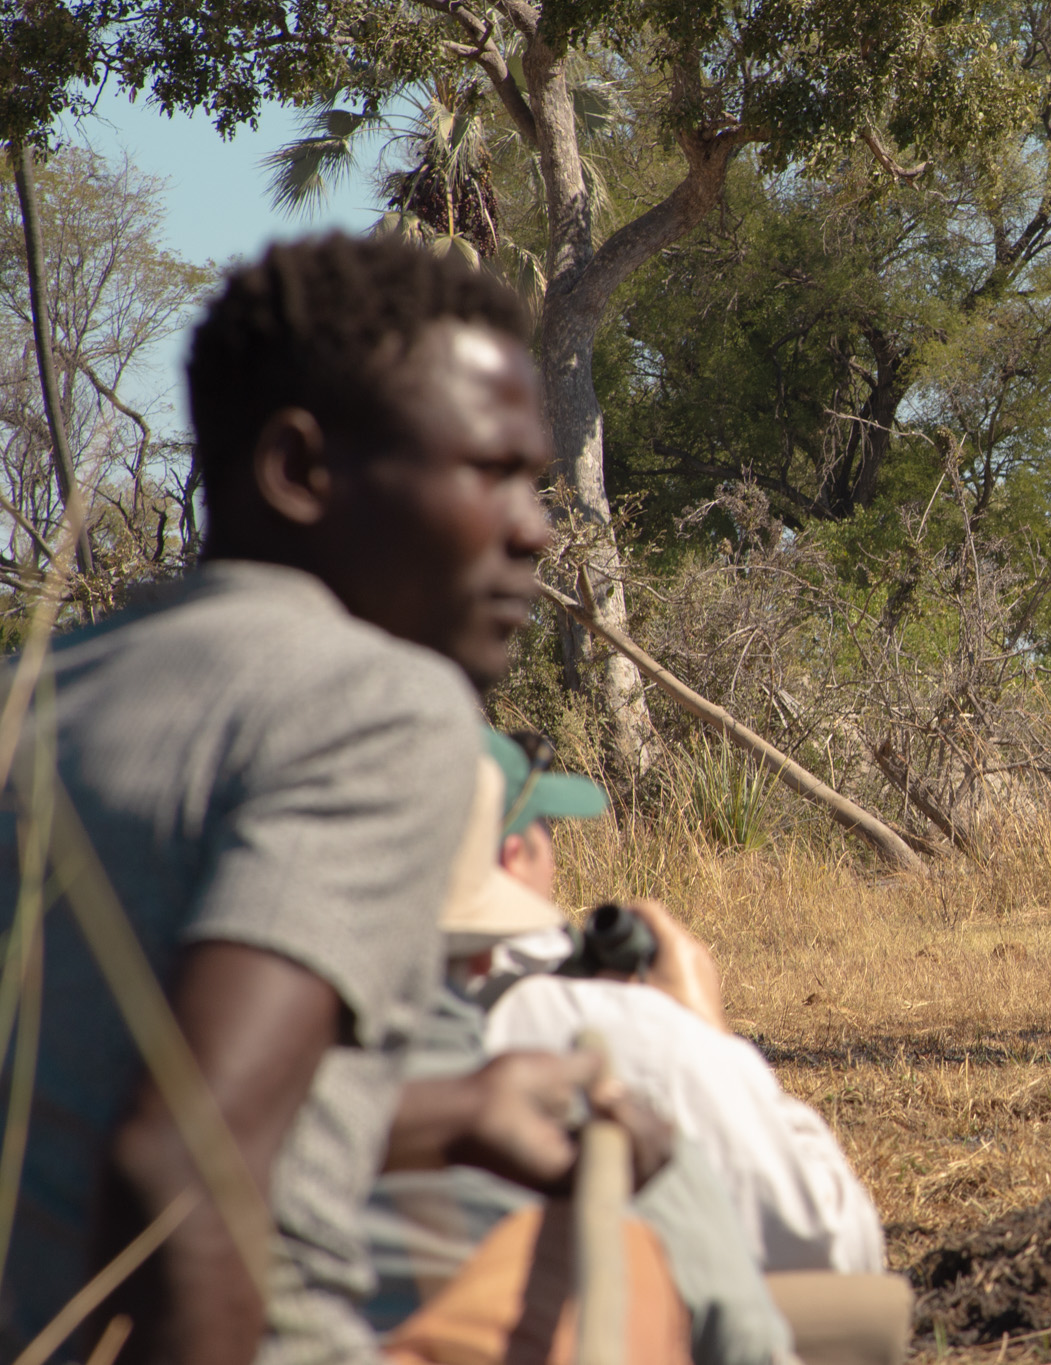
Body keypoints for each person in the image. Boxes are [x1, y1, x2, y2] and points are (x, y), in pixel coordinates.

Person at [0, 234, 662, 1365]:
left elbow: (94, 1114)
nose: (534, 528)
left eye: (540, 484)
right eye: (490, 471)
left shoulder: (42, 698)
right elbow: (178, 1173)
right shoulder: (379, 703)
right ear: (300, 471)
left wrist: (459, 1113)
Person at [478, 732, 911, 1365]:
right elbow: (831, 1243)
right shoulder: (631, 1032)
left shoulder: (305, 1027)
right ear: (514, 855)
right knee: (868, 1318)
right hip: (570, 1330)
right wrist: (710, 1035)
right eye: (547, 830)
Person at [365, 730, 793, 1365]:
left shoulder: (206, 1121)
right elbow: (779, 1301)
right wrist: (705, 1032)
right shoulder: (608, 1131)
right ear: (484, 938)